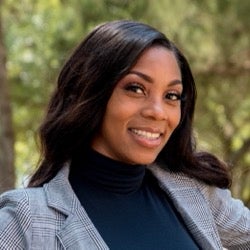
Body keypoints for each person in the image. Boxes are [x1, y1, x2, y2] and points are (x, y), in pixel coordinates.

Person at [0, 20, 249, 250]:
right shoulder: (25, 220)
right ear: (91, 92)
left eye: (171, 96)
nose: (158, 112)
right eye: (136, 88)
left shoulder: (195, 192)